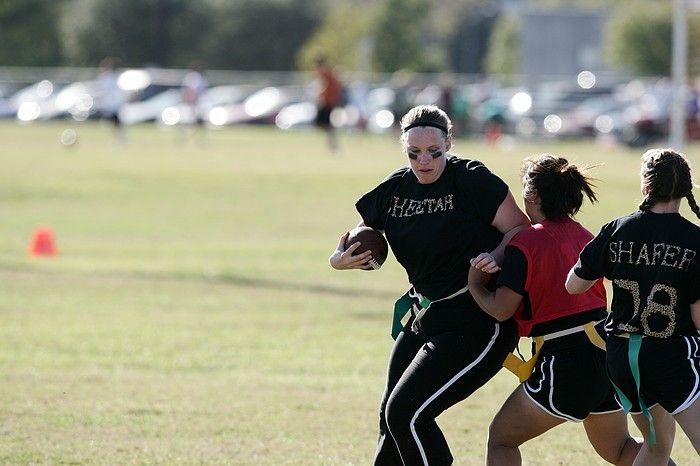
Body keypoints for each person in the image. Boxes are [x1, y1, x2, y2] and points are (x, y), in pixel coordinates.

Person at [329, 105, 530, 465]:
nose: (424, 161)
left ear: (449, 144)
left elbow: (520, 228)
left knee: (406, 416)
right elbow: (361, 232)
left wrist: (497, 256)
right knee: (390, 420)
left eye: (434, 152)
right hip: (427, 314)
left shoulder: (471, 179)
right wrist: (339, 258)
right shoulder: (394, 188)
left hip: (477, 317)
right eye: (414, 153)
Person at [468, 154, 676, 465]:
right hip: (607, 357)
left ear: (533, 195)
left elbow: (500, 309)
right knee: (619, 449)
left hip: (566, 361)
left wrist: (475, 284)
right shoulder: (585, 235)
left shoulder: (525, 242)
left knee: (502, 439)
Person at [566, 148, 700, 464]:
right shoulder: (694, 239)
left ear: (646, 187)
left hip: (623, 360)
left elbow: (574, 285)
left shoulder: (617, 229)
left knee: (656, 448)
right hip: (672, 359)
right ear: (685, 189)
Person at [313, 55, 343, 152]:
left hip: (327, 102)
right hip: (328, 101)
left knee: (322, 124)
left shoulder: (325, 72)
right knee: (324, 124)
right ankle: (331, 142)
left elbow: (329, 86)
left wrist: (322, 94)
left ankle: (332, 142)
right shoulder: (327, 72)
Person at [97, 57, 126, 143]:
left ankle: (120, 139)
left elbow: (116, 91)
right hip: (108, 105)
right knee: (115, 123)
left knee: (116, 123)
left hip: (113, 105)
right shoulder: (103, 78)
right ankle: (119, 138)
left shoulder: (112, 78)